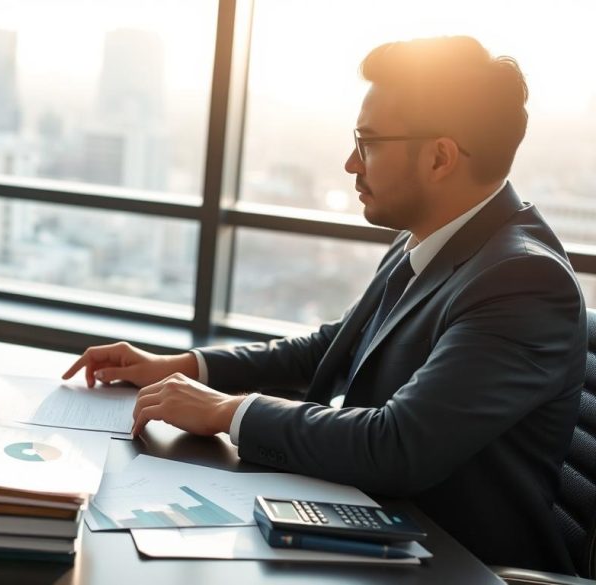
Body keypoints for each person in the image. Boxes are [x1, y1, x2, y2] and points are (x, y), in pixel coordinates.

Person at [63, 36, 585, 573]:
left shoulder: (523, 280)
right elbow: (329, 350)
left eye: (368, 142)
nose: (349, 163)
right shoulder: (434, 238)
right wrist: (182, 367)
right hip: (379, 526)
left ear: (439, 157)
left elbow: (397, 446)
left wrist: (227, 411)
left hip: (456, 563)